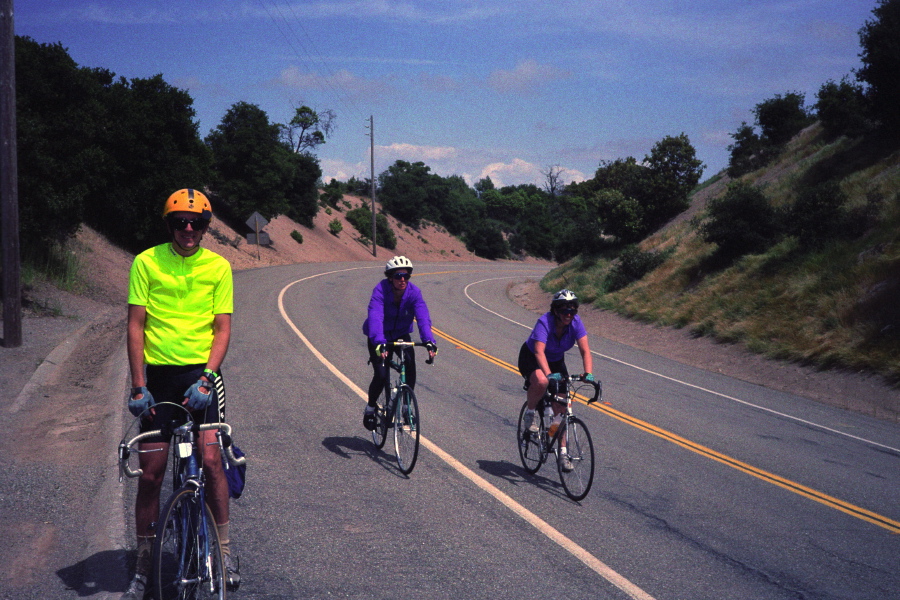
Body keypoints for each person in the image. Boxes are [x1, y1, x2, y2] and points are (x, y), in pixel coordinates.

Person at [121, 189, 239, 600]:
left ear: (207, 226)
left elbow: (222, 329)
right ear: (168, 224)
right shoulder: (147, 261)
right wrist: (138, 385)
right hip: (157, 379)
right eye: (179, 222)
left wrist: (207, 378)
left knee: (210, 460)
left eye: (197, 223)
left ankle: (224, 554)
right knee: (151, 476)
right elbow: (136, 325)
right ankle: (144, 564)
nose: (188, 230)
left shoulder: (219, 267)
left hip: (201, 377)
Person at [518, 289, 594, 472]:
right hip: (532, 357)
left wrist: (588, 374)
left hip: (556, 360)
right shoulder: (544, 322)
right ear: (555, 310)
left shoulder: (575, 323)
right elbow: (539, 352)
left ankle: (562, 452)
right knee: (542, 382)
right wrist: (548, 374)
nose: (568, 314)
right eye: (564, 310)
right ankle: (530, 414)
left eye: (572, 310)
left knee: (561, 408)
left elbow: (585, 350)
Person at [362, 256, 437, 430]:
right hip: (379, 336)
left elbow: (423, 317)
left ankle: (405, 406)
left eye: (406, 275)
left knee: (410, 367)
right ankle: (371, 408)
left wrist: (429, 341)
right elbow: (375, 317)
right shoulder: (380, 290)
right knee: (381, 375)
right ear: (390, 277)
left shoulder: (414, 292)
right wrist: (379, 342)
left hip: (401, 334)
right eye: (398, 276)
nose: (402, 279)